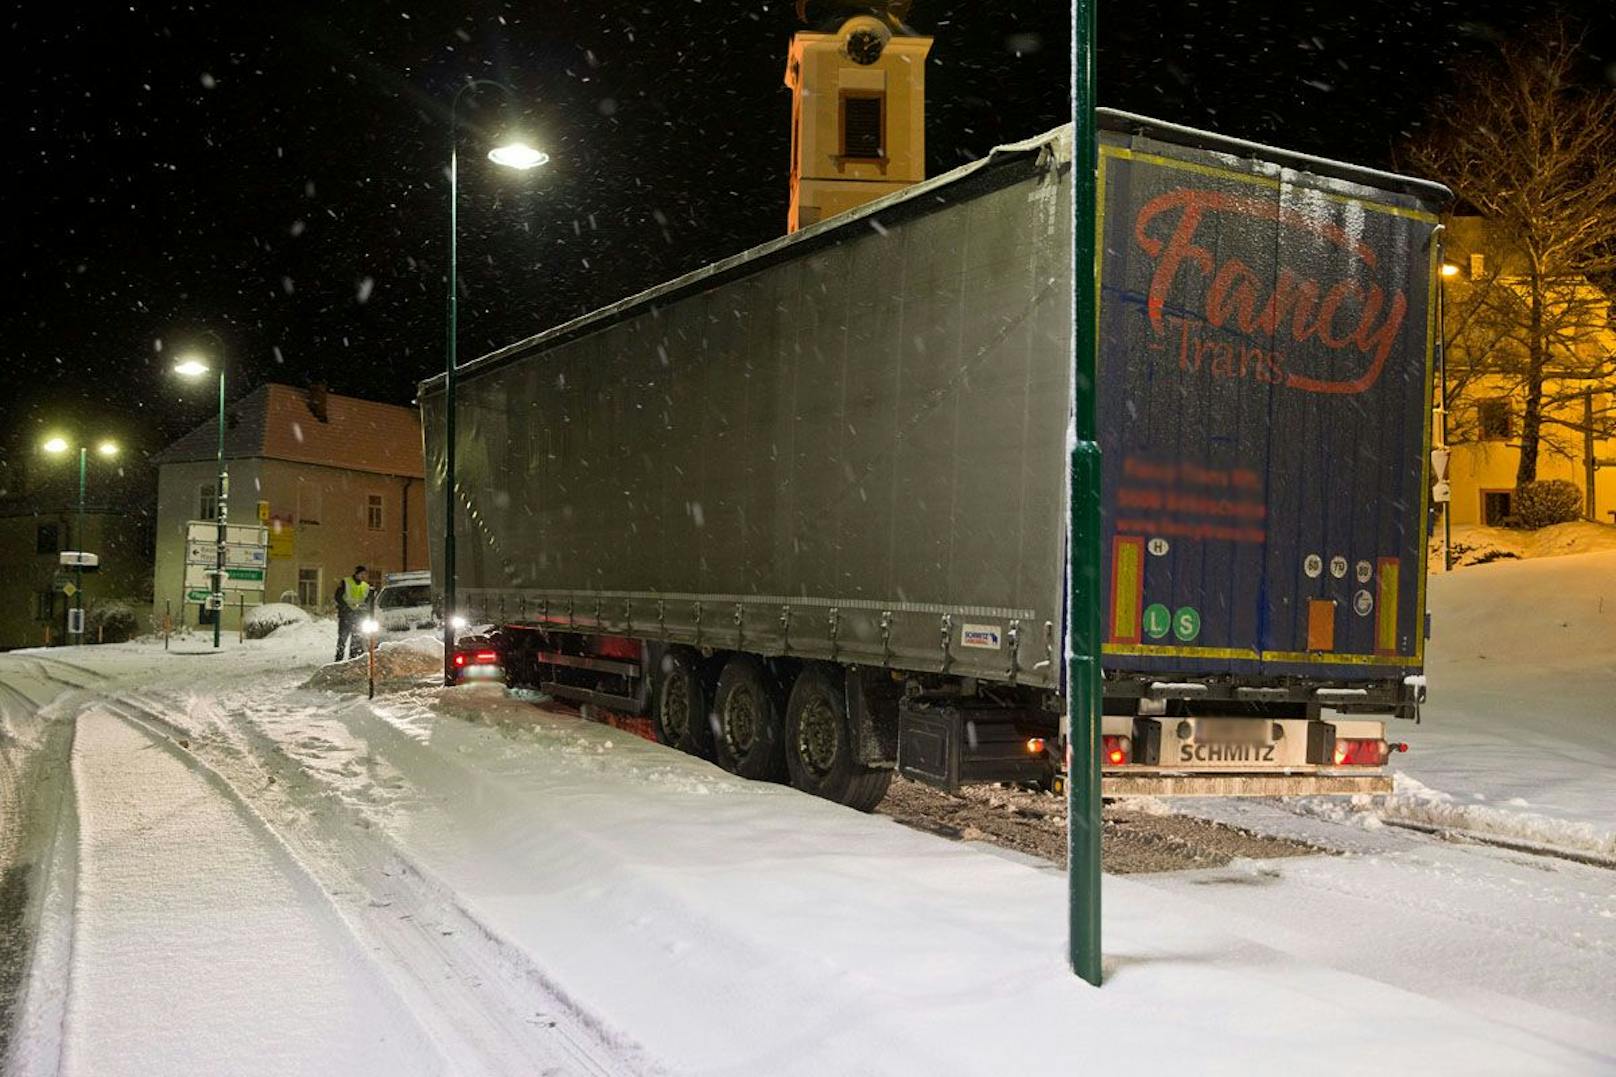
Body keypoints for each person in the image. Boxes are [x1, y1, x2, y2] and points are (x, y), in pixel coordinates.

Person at [333, 564, 373, 661]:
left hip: (359, 616)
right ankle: (339, 658)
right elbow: (338, 596)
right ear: (356, 574)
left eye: (365, 574)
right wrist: (345, 607)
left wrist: (368, 613)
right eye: (361, 574)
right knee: (343, 638)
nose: (363, 576)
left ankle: (352, 658)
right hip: (346, 615)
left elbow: (368, 601)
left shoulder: (366, 586)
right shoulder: (346, 582)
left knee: (356, 639)